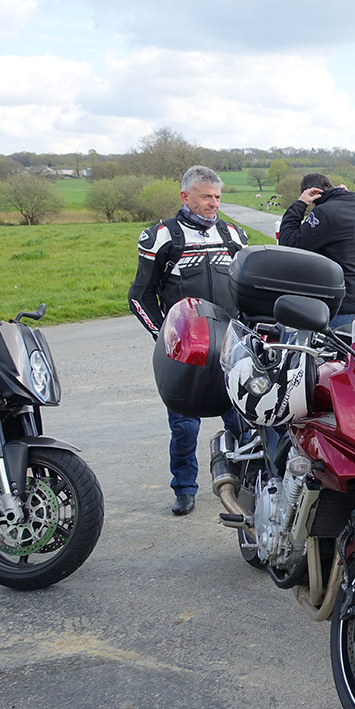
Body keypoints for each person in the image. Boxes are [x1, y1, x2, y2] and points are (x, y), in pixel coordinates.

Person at [128, 165, 247, 516]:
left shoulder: (233, 235)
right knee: (183, 428)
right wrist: (165, 337)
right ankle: (184, 488)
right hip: (187, 356)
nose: (214, 203)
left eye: (217, 197)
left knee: (241, 423)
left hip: (229, 350)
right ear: (185, 196)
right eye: (206, 196)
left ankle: (243, 485)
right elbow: (140, 296)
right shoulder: (162, 237)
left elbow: (248, 293)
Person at [277, 173, 355, 330]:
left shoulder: (324, 213)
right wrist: (343, 195)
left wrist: (300, 203)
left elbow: (288, 243)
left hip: (337, 307)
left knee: (328, 354)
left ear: (311, 194)